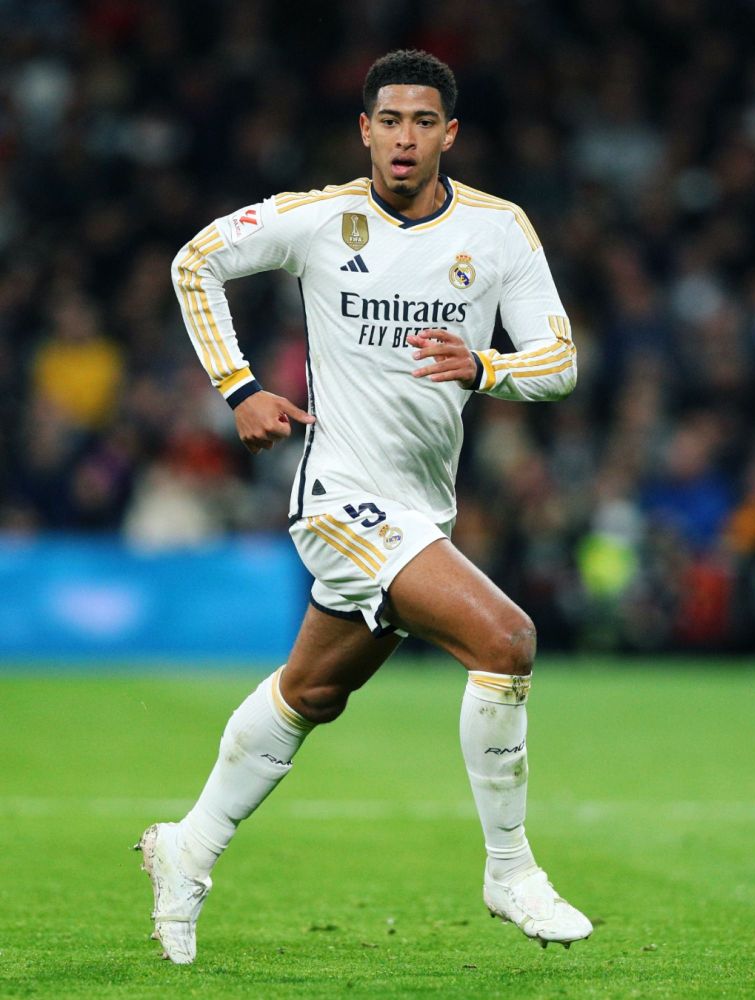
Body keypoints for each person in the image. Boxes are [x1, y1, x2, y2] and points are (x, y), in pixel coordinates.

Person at [137, 48, 592, 964]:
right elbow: (196, 263)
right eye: (389, 121)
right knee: (507, 641)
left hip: (422, 512)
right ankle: (510, 869)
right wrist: (238, 388)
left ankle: (188, 846)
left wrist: (485, 366)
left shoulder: (499, 230)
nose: (403, 138)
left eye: (422, 122)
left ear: (449, 134)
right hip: (338, 500)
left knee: (311, 693)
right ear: (365, 131)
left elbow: (560, 362)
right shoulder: (322, 219)